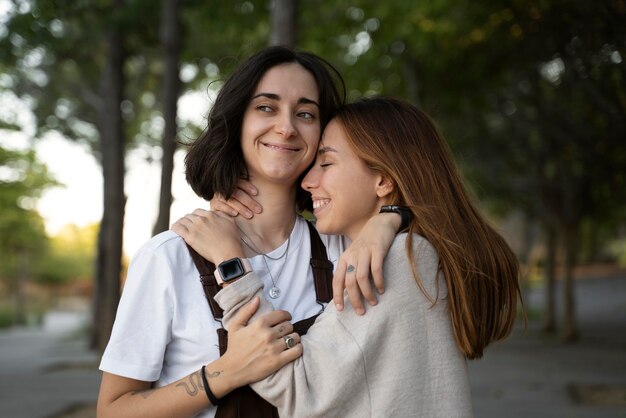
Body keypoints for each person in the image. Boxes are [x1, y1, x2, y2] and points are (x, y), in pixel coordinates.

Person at [97, 47, 401, 418]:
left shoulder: (349, 244)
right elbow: (112, 410)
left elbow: (452, 247)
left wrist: (390, 217)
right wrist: (224, 373)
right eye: (266, 107)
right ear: (237, 120)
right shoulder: (169, 256)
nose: (287, 127)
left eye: (305, 113)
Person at [177, 96, 524, 417]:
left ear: (384, 180)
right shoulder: (419, 251)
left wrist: (230, 262)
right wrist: (393, 215)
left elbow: (299, 389)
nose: (307, 180)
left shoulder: (396, 261)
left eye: (326, 162)